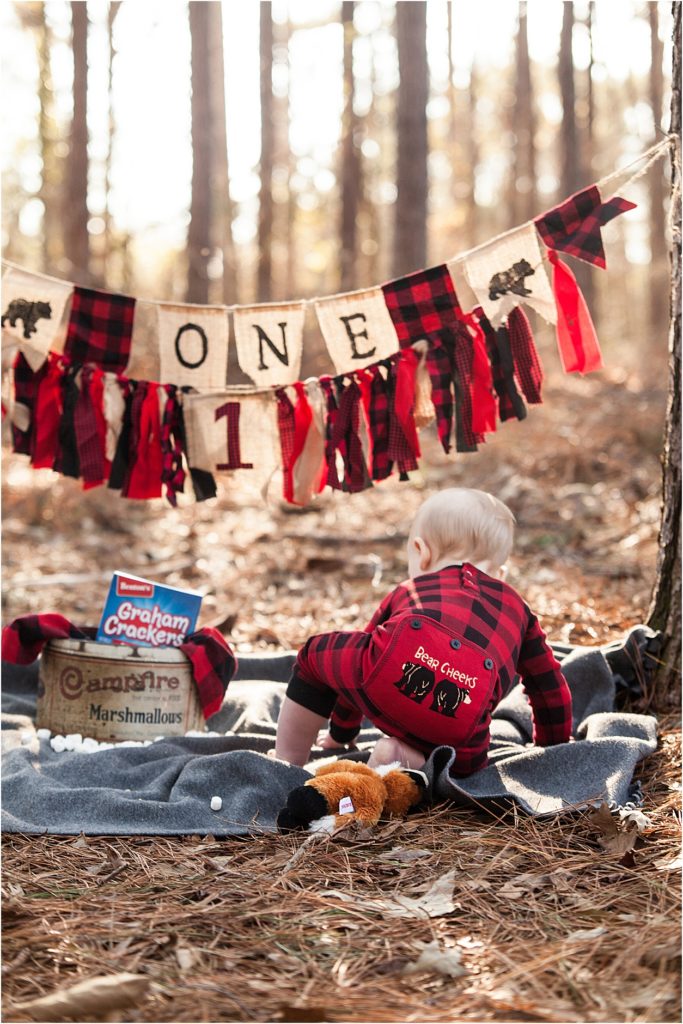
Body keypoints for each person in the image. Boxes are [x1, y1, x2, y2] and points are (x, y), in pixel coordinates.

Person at [273, 487, 572, 774]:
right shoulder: (519, 612)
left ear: (421, 552)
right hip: (462, 734)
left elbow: (361, 660)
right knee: (461, 759)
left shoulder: (412, 590)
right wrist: (552, 746)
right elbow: (549, 687)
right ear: (500, 575)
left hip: (388, 684)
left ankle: (288, 760)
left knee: (317, 655)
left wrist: (341, 731)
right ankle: (404, 757)